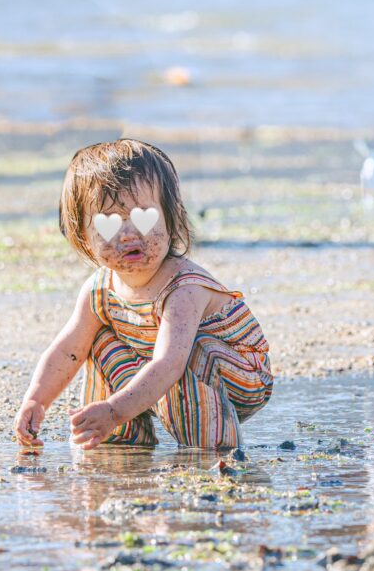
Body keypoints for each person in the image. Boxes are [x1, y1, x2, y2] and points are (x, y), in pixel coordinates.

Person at [14, 138, 273, 451]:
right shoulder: (100, 288)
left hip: (237, 377)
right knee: (96, 341)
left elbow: (169, 363)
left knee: (187, 351)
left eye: (143, 217)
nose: (128, 234)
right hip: (168, 374)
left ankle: (213, 443)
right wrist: (36, 400)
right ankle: (116, 437)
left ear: (171, 220)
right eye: (108, 223)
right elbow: (67, 349)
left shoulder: (183, 288)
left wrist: (115, 409)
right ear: (84, 236)